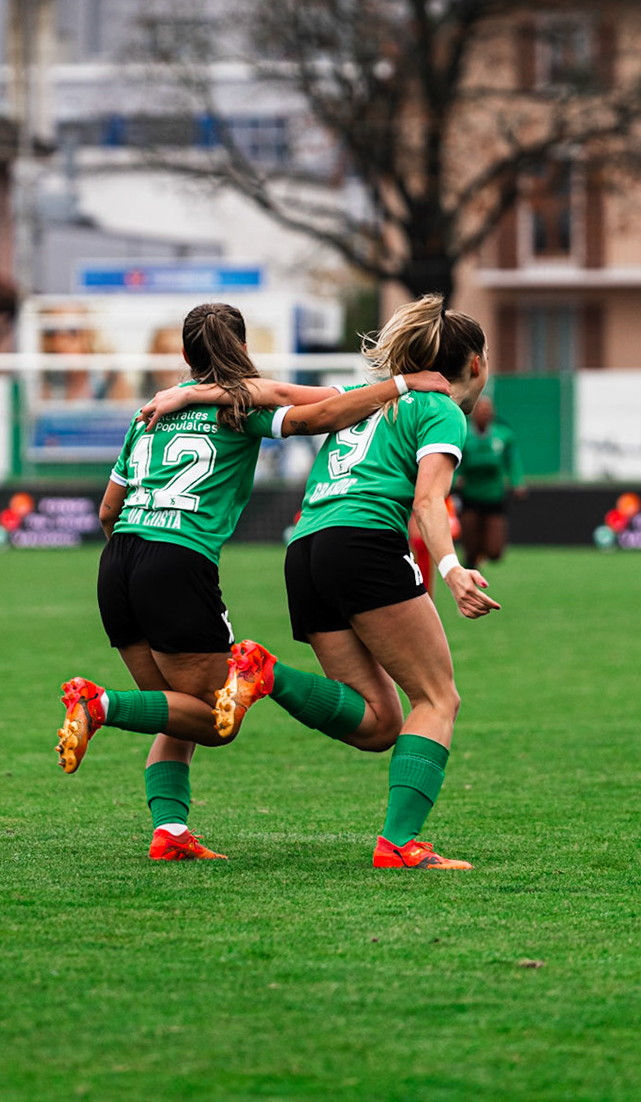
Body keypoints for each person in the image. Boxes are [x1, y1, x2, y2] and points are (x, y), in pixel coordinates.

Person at [54, 302, 455, 862]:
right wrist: (401, 384)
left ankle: (169, 832)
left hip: (118, 559)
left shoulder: (148, 414)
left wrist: (194, 393)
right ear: (241, 346)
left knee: (175, 705)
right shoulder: (244, 409)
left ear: (186, 355)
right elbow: (323, 412)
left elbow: (106, 510)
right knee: (216, 718)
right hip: (178, 559)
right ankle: (99, 706)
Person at [218, 294, 499, 871]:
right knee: (437, 697)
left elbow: (272, 395)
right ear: (476, 364)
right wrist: (451, 570)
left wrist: (183, 393)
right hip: (364, 545)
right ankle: (400, 846)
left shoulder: (359, 398)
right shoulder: (440, 409)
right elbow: (427, 502)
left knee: (379, 724)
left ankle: (263, 673)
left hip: (306, 549)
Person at [456, 397, 525, 571]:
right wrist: (454, 479)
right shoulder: (463, 435)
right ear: (474, 413)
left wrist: (518, 483)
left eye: (488, 410)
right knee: (470, 551)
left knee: (494, 552)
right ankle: (471, 571)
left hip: (494, 497)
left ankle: (483, 554)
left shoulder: (503, 436)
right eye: (481, 409)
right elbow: (452, 461)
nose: (485, 413)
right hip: (470, 498)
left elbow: (513, 462)